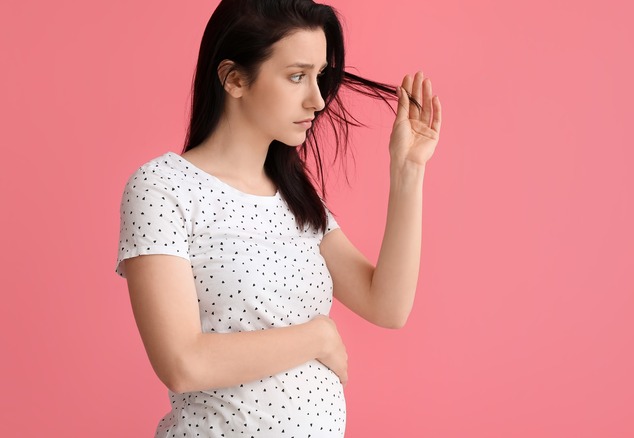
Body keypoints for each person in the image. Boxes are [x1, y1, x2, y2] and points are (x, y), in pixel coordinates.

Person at [114, 0, 441, 436]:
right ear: (234, 79)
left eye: (319, 76)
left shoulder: (297, 199)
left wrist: (408, 169)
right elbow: (183, 364)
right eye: (296, 76)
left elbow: (387, 306)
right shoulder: (163, 188)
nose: (317, 99)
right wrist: (318, 336)